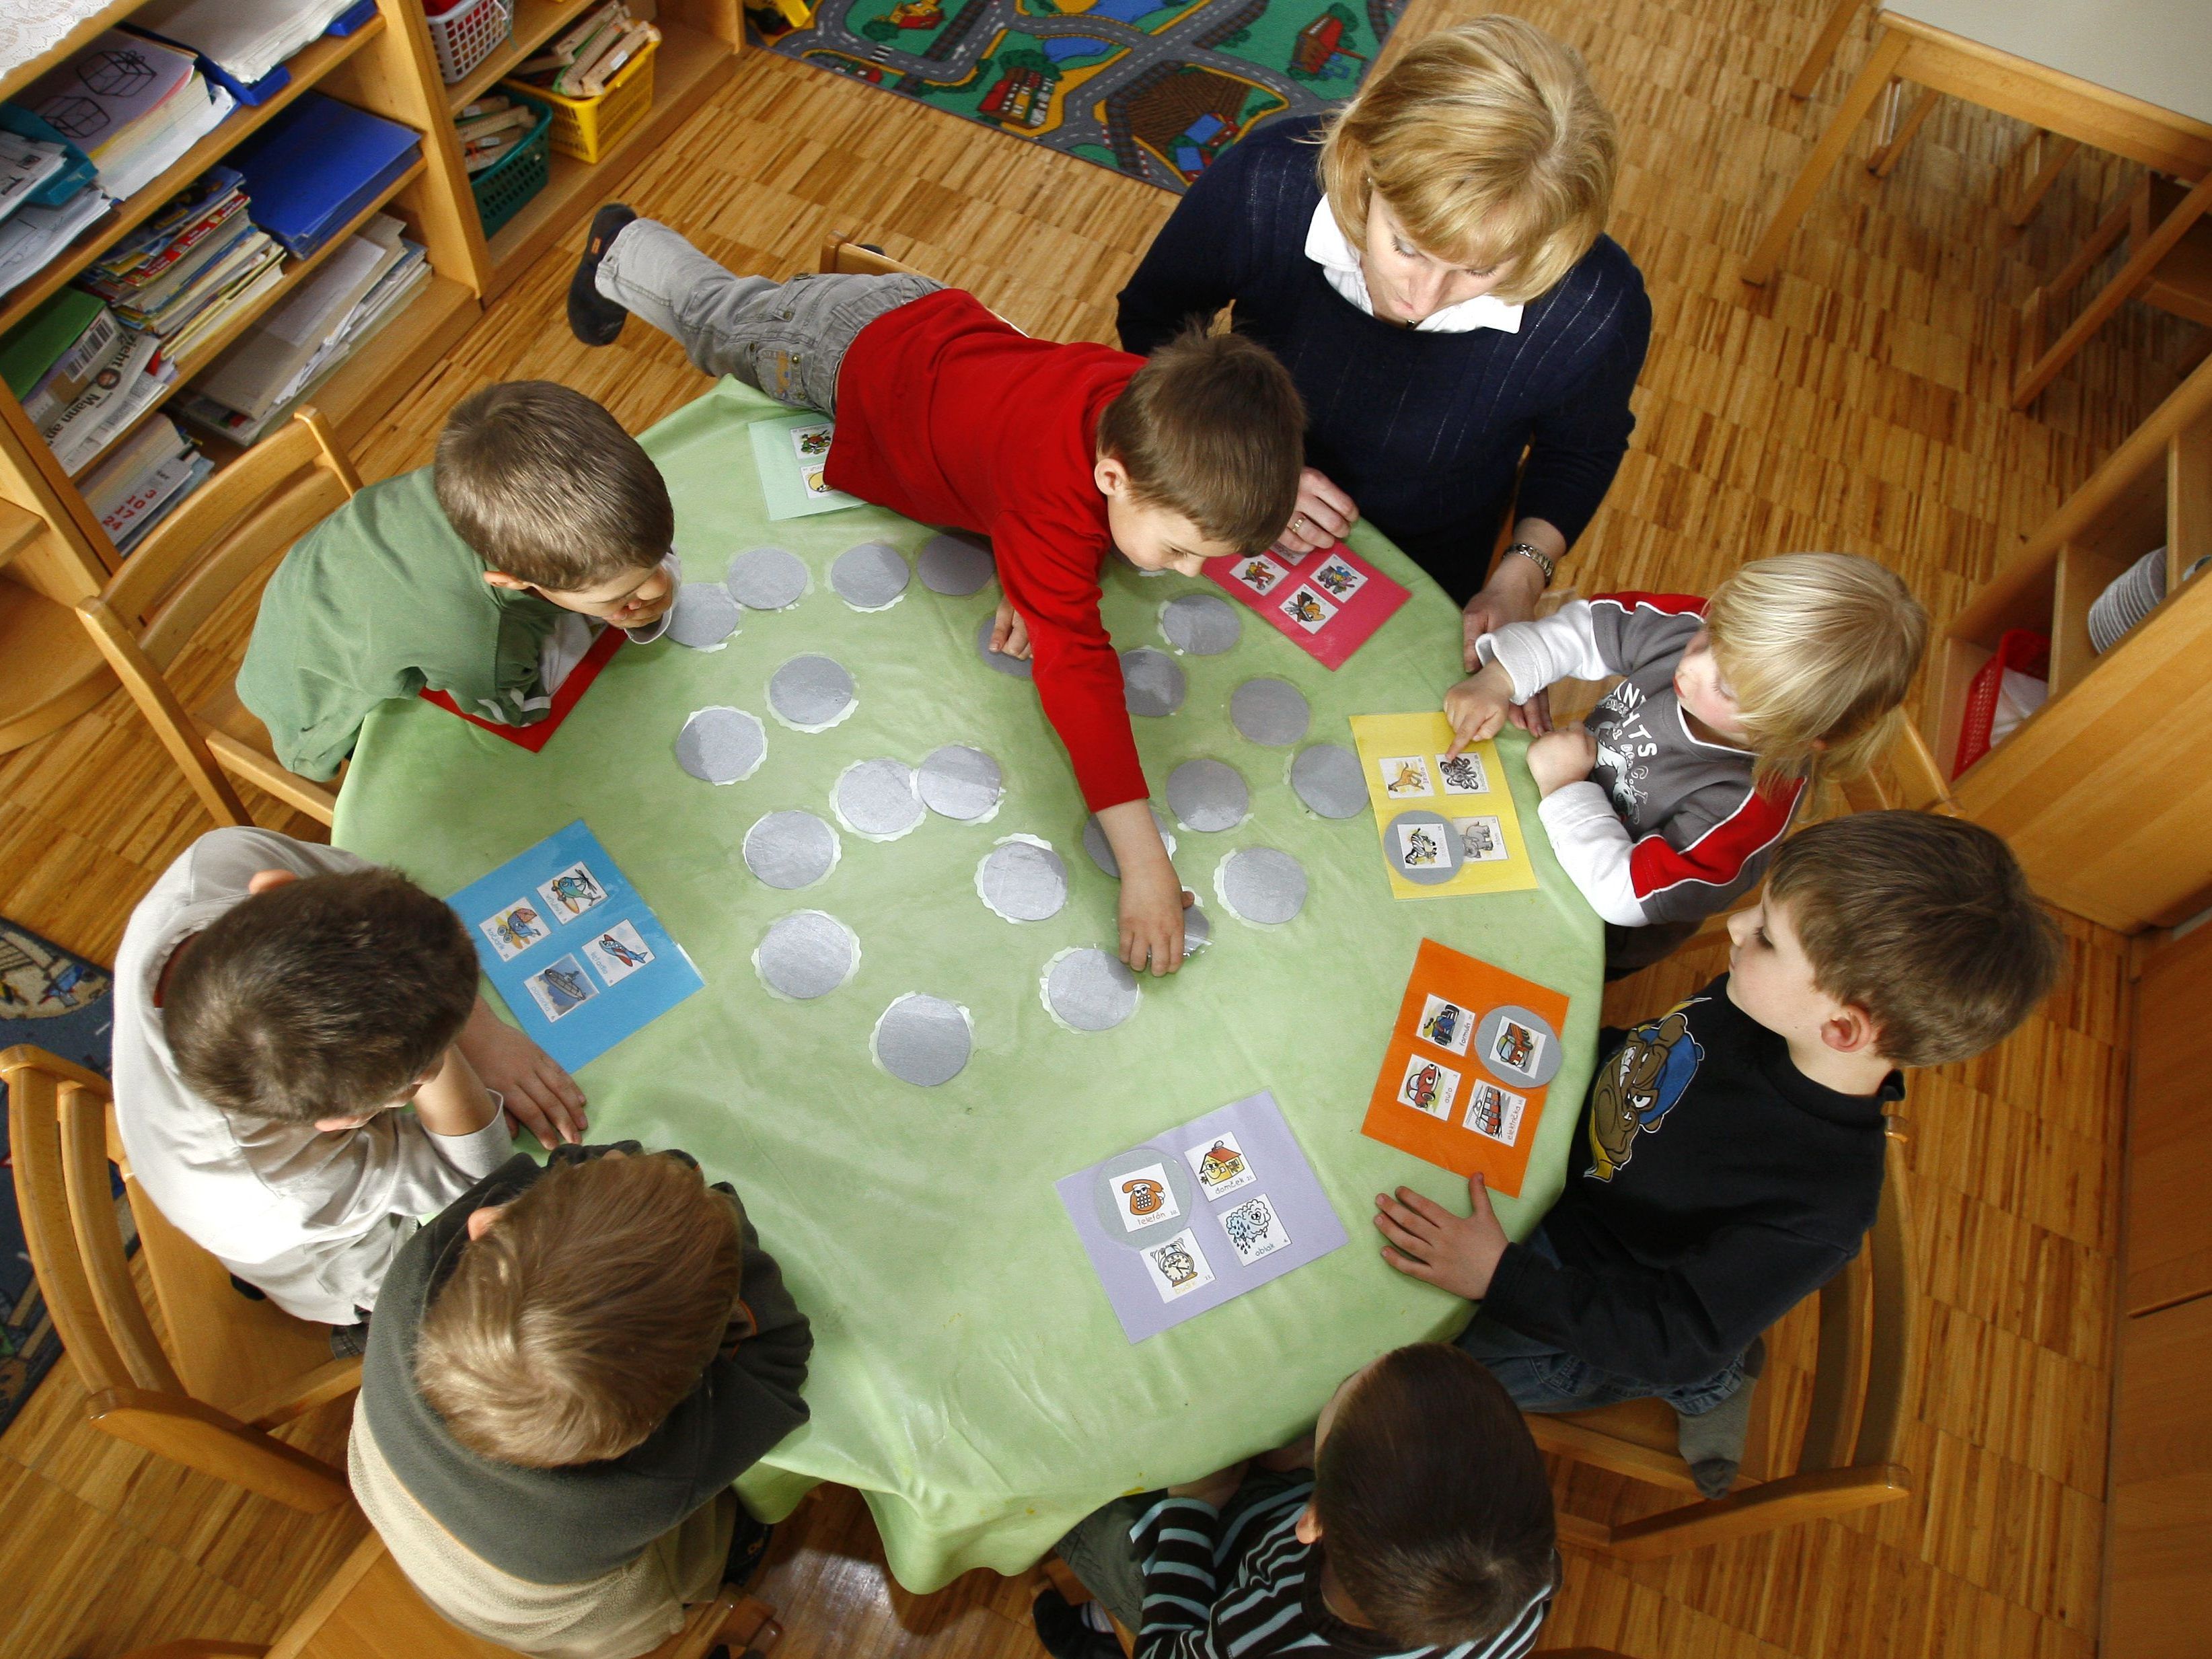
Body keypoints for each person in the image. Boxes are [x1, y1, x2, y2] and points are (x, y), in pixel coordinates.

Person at [566, 210, 1306, 975]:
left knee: (745, 315)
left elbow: (1037, 478)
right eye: (1180, 549)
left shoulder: (1146, 399)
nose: (1185, 572)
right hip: (835, 350)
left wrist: (1034, 564)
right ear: (1112, 475)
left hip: (930, 320)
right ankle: (620, 248)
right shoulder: (1053, 495)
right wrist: (1146, 860)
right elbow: (1078, 673)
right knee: (714, 317)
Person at [1372, 811, 2063, 1498]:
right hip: (1579, 1187)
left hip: (1608, 1301)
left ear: (1843, 1026)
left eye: (1765, 936)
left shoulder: (1819, 1207)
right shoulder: (1758, 1005)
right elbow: (1644, 1057)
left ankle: (1714, 1384)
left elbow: (1673, 1333)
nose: (1734, 926)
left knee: (1416, 1373)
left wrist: (1500, 1277)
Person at [1115, 16, 1650, 721]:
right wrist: (1240, 465)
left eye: (1479, 271)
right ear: (1362, 169)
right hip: (1222, 494)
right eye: (1406, 247)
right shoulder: (1269, 180)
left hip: (1430, 554)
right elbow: (1153, 321)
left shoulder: (1597, 308)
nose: (1421, 300)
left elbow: (1579, 449)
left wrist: (1524, 572)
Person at [111, 827, 587, 1339]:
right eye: (423, 1068)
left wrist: (479, 1031)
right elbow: (479, 1175)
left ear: (274, 888)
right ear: (346, 1122)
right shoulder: (281, 1181)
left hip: (221, 1163)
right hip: (357, 1268)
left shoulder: (221, 861)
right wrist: (441, 1045)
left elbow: (367, 886)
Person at [348, 1143, 811, 1659]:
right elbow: (779, 1357)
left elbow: (544, 1174)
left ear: (486, 1226)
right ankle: (731, 1564)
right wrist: (719, 1226)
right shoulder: (652, 1481)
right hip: (572, 1623)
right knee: (720, 1535)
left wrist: (645, 1201)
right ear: (665, 1415)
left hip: (405, 1521)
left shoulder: (420, 1268)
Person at [1444, 552, 1928, 973]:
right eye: (1710, 634)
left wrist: (1567, 785)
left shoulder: (1748, 805)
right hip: (1549, 806)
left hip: (1602, 924)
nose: (1691, 664)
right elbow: (1587, 629)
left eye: (1727, 688)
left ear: (1803, 734)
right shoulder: (1727, 635)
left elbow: (1623, 896)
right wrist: (1501, 679)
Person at [239, 381, 681, 782]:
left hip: (328, 583)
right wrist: (622, 618)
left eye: (655, 562)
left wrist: (627, 588)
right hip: (314, 700)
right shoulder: (481, 644)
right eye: (622, 593)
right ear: (513, 580)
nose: (654, 588)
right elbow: (517, 710)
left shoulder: (490, 485)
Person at [1033, 1344, 1556, 1659]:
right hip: (1293, 1532)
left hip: (1199, 1591)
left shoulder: (1264, 1637)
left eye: (1336, 1398)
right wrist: (1316, 1459)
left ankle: (1100, 1632)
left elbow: (1163, 1652)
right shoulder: (1521, 1561)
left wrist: (1193, 1506)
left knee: (1071, 1481)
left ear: (1313, 1521)